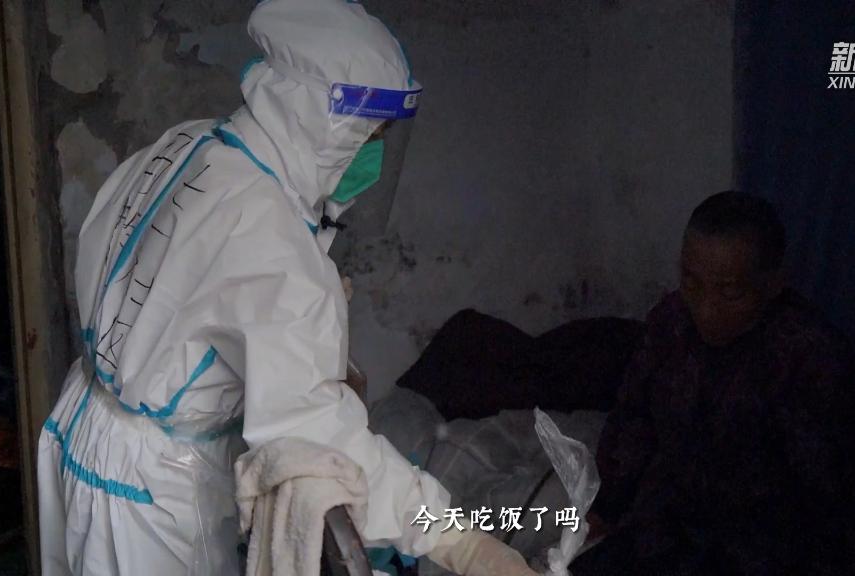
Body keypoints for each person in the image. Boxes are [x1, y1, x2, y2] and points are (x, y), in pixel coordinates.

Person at [37, 1, 536, 575]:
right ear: (325, 122)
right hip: (154, 495)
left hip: (82, 430)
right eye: (370, 134)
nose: (373, 154)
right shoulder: (272, 240)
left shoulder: (189, 144)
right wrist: (460, 542)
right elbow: (322, 444)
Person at [573, 191, 855, 575]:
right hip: (669, 525)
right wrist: (605, 506)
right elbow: (634, 419)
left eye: (730, 292)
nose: (706, 308)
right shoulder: (670, 324)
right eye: (691, 282)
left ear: (774, 283)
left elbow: (834, 497)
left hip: (761, 546)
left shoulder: (808, 356)